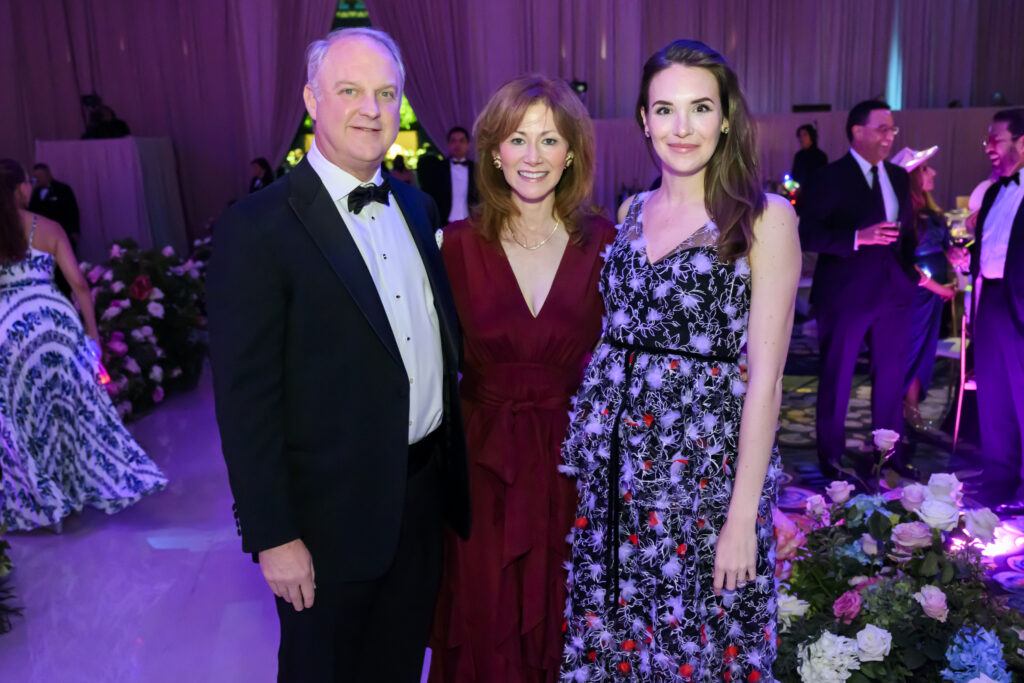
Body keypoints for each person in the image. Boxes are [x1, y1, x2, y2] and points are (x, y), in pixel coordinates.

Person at [206, 28, 470, 682]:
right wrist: (273, 534)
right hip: (324, 523)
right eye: (349, 90)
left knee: (399, 662)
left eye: (386, 93)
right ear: (310, 99)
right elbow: (246, 402)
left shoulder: (415, 204)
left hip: (419, 499)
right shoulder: (256, 227)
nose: (371, 109)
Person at [559, 40, 799, 681]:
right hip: (616, 479)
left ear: (726, 118)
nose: (682, 127)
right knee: (616, 644)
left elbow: (767, 382)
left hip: (703, 483)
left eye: (700, 108)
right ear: (643, 119)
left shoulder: (765, 219)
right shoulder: (632, 210)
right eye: (665, 109)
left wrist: (743, 518)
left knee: (702, 646)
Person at [429, 75, 615, 683]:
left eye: (550, 140)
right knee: (485, 620)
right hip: (481, 469)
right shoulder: (451, 246)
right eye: (517, 139)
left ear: (572, 153)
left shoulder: (608, 244)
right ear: (493, 150)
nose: (533, 157)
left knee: (569, 617)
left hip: (573, 466)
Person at [0, 158, 166, 531]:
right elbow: (78, 283)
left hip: (7, 331)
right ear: (21, 189)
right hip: (55, 328)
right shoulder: (49, 227)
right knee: (70, 412)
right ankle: (81, 490)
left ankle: (43, 501)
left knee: (22, 419)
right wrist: (92, 335)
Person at [798, 100, 920, 481]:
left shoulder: (899, 176)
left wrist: (910, 276)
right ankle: (832, 459)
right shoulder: (829, 176)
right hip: (845, 294)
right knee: (838, 378)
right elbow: (807, 234)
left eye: (893, 129)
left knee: (890, 380)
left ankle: (888, 456)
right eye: (882, 128)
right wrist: (857, 237)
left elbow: (908, 234)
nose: (890, 136)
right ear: (857, 131)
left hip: (892, 294)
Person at [949, 108, 1024, 512]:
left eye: (996, 139)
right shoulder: (996, 191)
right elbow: (996, 245)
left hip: (1020, 304)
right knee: (994, 394)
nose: (989, 147)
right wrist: (968, 256)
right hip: (991, 300)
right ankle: (999, 479)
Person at [890, 146, 956, 427]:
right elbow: (906, 263)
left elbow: (943, 249)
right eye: (927, 168)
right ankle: (896, 413)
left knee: (923, 353)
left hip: (933, 297)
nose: (934, 172)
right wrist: (939, 288)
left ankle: (912, 409)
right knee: (909, 351)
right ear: (913, 175)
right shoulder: (903, 213)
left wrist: (956, 256)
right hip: (915, 294)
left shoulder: (932, 210)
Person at [419, 126, 479, 225]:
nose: (457, 145)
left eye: (461, 141)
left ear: (468, 144)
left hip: (472, 223)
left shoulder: (477, 169)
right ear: (448, 144)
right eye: (453, 141)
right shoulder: (438, 169)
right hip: (445, 223)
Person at [28, 163, 80, 249]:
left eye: (39, 176)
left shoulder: (63, 189)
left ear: (47, 175)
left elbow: (72, 210)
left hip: (63, 233)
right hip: (43, 236)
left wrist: (74, 231)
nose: (37, 180)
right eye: (35, 177)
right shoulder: (34, 193)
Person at [791, 123, 828, 188]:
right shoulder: (798, 156)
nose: (802, 138)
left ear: (811, 136)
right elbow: (794, 175)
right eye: (800, 135)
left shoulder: (820, 156)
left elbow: (821, 178)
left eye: (805, 135)